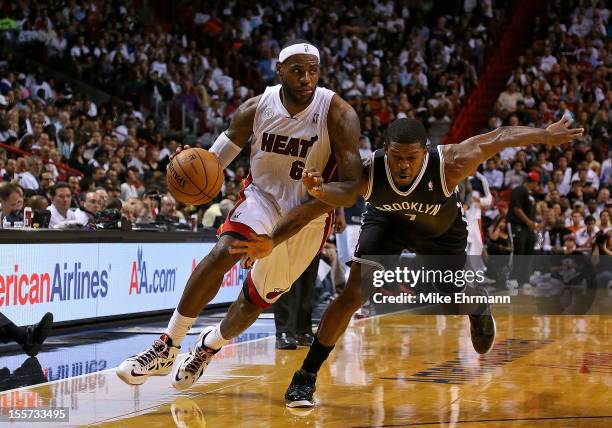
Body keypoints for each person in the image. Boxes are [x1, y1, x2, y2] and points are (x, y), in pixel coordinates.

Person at [231, 116, 583, 407]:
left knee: (449, 303)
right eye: (397, 157)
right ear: (386, 150)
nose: (402, 165)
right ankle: (305, 377)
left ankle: (478, 306)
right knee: (352, 295)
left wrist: (544, 135)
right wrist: (321, 192)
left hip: (440, 234)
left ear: (425, 152)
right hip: (387, 224)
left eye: (411, 158)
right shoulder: (372, 170)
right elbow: (340, 195)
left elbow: (499, 137)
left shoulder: (452, 162)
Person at [116, 39, 363, 390]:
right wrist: (191, 165)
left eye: (313, 71)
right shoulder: (256, 108)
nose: (307, 78)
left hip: (310, 212)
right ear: (279, 72)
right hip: (261, 198)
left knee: (254, 300)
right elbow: (214, 163)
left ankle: (208, 345)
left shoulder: (338, 114)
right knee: (223, 252)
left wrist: (319, 194)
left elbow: (353, 187)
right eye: (297, 71)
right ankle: (168, 345)